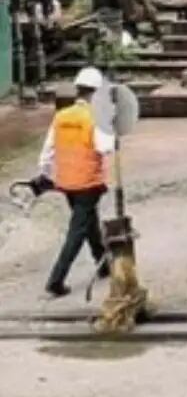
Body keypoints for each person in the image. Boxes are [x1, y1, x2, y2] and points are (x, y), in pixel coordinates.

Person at [37, 66, 114, 298]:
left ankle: (104, 263)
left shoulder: (61, 116)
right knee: (77, 231)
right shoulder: (95, 117)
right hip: (88, 183)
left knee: (89, 221)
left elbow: (47, 151)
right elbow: (104, 147)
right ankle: (56, 280)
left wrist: (46, 175)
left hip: (67, 183)